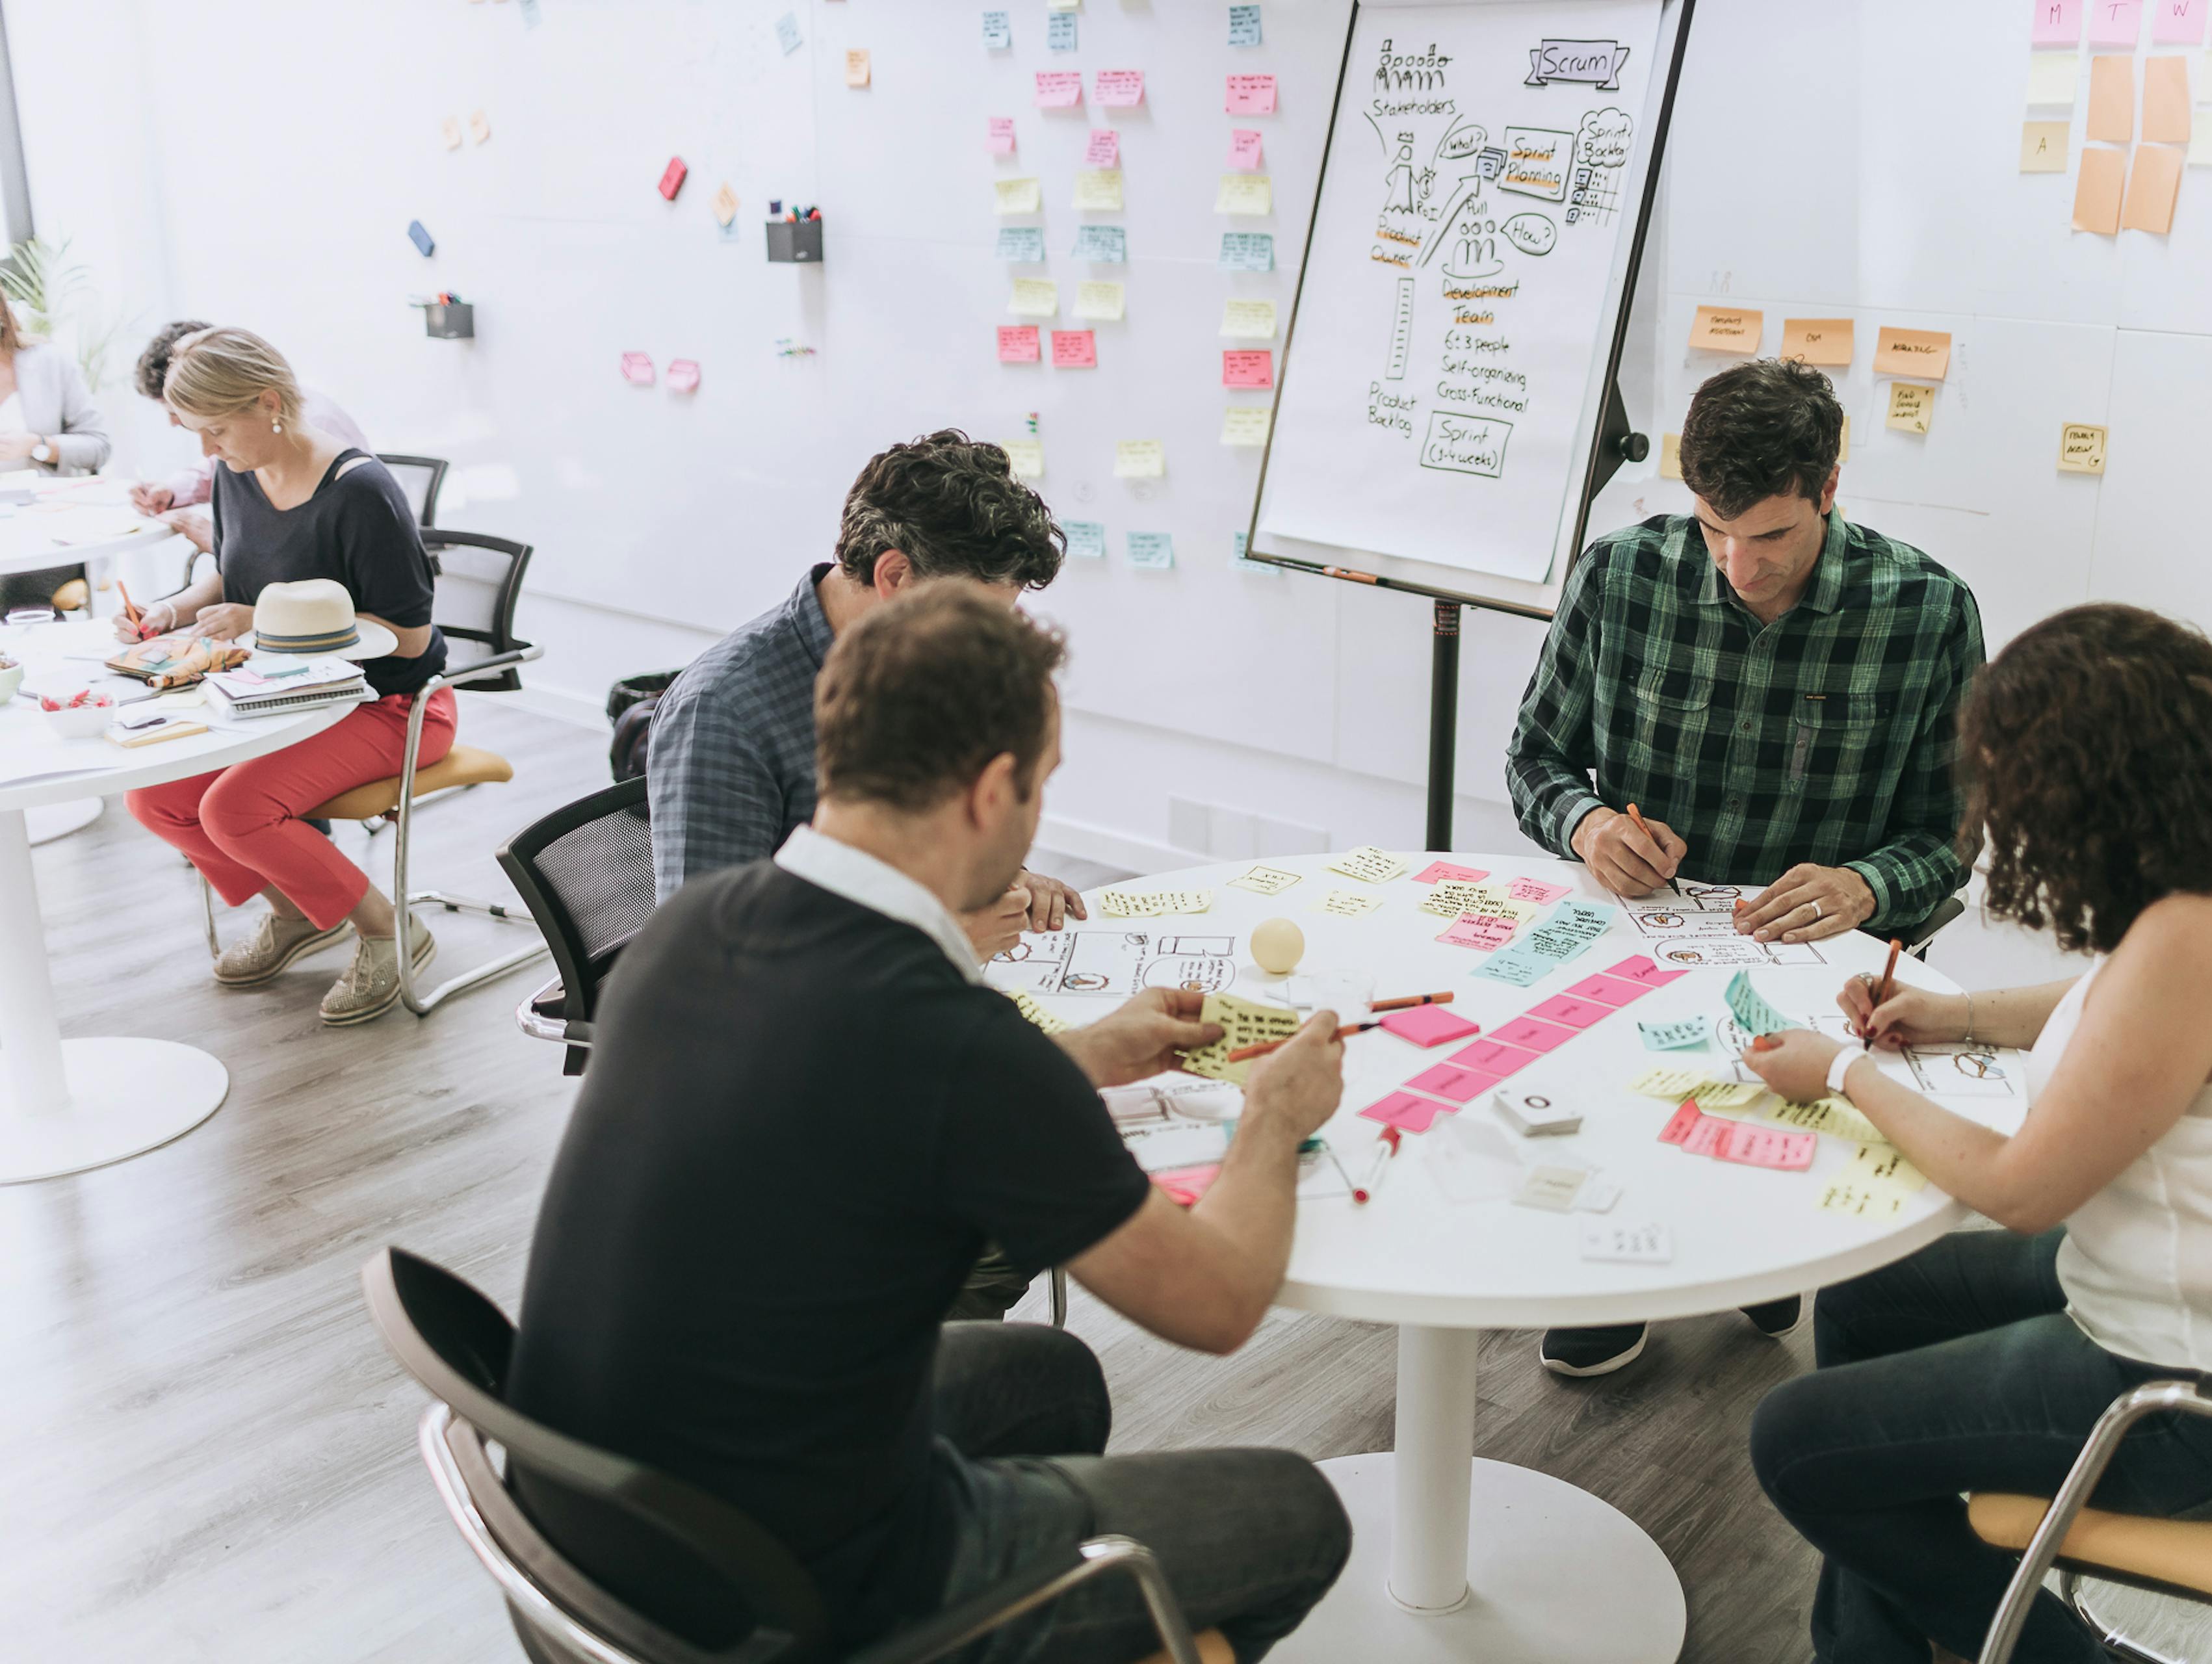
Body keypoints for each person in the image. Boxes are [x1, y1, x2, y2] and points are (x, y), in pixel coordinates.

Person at [508, 582, 1354, 1664]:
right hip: (760, 1606)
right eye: (1043, 785)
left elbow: (861, 1097)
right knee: (1296, 1515)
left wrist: (1087, 1055)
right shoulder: (955, 1039)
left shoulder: (691, 929)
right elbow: (1221, 1302)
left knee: (1048, 1378)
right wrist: (1274, 1116)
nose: (1040, 811)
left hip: (583, 1535)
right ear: (993, 789)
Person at [1741, 603, 2212, 1664]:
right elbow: (2123, 1009)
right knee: (1868, 1293)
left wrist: (1846, 1072)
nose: (2010, 822)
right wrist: (1955, 1017)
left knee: (1794, 1443)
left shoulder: (2191, 942)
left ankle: (2060, 1658)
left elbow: (2018, 1188)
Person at [1508, 356, 1986, 1378]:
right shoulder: (1621, 575)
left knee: (1767, 1156)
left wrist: (1866, 885)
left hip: (1813, 954)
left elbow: (1955, 833)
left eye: (1770, 535)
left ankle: (1761, 1243)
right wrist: (1590, 825)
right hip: (1636, 931)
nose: (1738, 565)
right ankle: (1624, 1274)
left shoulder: (1927, 610)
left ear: (1829, 490)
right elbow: (1534, 762)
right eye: (1713, 529)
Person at [116, 327, 450, 1026]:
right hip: (285, 697)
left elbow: (409, 635)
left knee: (232, 811)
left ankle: (390, 929)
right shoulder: (241, 473)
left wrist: (262, 621)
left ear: (269, 402)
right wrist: (172, 608)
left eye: (214, 429)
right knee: (154, 800)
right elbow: (234, 572)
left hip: (391, 704)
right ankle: (300, 912)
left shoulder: (361, 492)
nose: (207, 452)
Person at [647, 428, 1087, 957]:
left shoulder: (927, 669)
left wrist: (1000, 880)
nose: (983, 641)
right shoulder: (721, 712)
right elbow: (708, 958)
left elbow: (914, 830)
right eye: (972, 614)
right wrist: (938, 939)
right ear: (896, 575)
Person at [125, 318, 371, 558]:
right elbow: (215, 467)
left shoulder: (319, 433)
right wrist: (172, 490)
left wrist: (218, 542)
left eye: (215, 430)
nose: (208, 450)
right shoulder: (245, 446)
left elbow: (309, 559)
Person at [0, 300, 113, 613]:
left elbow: (98, 446)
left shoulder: (48, 363)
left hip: (48, 535)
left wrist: (38, 445)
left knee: (19, 593)